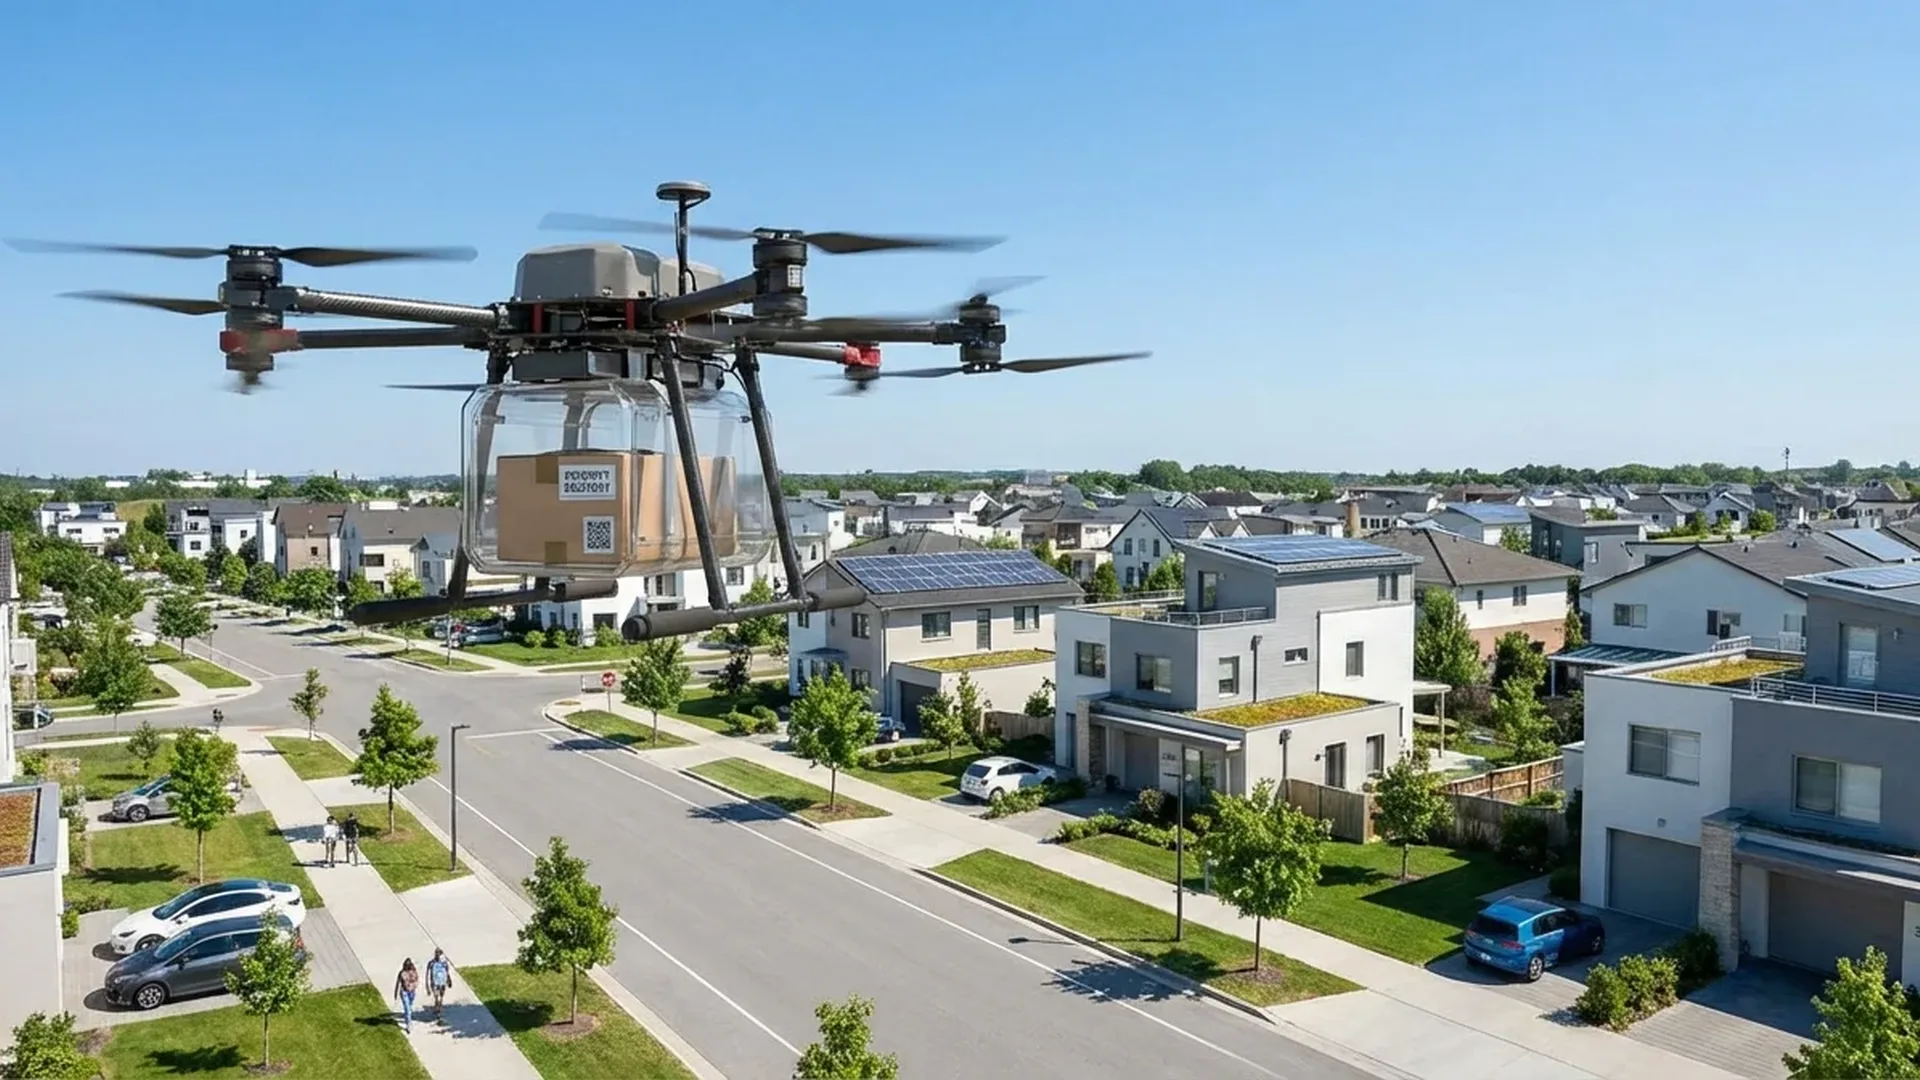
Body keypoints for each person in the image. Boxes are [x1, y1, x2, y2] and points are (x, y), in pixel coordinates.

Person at [424, 948, 453, 1021]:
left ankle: (438, 1008)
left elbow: (447, 972)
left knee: (441, 997)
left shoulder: (444, 963)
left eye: (438, 954)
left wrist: (449, 980)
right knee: (437, 997)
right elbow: (427, 974)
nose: (437, 955)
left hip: (442, 983)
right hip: (434, 983)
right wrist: (427, 986)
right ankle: (438, 1012)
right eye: (436, 953)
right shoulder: (431, 963)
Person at [394, 958, 419, 1033]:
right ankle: (409, 1024)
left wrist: (414, 986)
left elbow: (417, 980)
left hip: (412, 992)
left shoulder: (414, 972)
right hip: (404, 992)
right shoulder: (402, 973)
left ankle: (407, 1017)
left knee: (409, 1007)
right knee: (407, 1008)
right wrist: (396, 993)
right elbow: (398, 983)